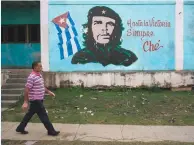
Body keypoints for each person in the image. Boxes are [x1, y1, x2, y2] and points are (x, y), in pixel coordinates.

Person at [71, 6, 138, 66]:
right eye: (98, 23)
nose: (104, 28)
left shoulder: (128, 57)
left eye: (110, 24)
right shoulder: (80, 57)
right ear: (89, 28)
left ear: (116, 29)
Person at [16, 61, 60, 136]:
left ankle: (20, 127)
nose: (41, 67)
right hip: (36, 100)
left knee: (29, 114)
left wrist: (49, 92)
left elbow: (41, 86)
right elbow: (27, 89)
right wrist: (26, 102)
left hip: (39, 99)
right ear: (35, 67)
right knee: (44, 115)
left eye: (41, 66)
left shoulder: (39, 75)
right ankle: (51, 131)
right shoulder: (31, 77)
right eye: (40, 66)